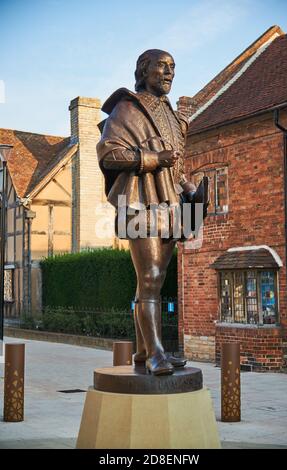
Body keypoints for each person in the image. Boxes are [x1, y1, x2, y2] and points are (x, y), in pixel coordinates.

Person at [97, 49, 208, 375]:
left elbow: (176, 165)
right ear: (144, 71)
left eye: (173, 67)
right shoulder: (126, 107)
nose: (169, 72)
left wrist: (188, 187)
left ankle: (146, 353)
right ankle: (156, 352)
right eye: (162, 66)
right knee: (150, 277)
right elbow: (108, 154)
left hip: (171, 202)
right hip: (139, 201)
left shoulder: (174, 118)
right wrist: (150, 159)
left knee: (156, 284)